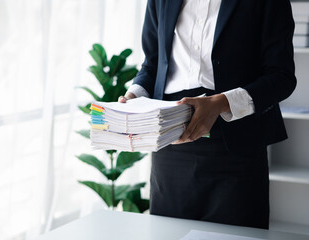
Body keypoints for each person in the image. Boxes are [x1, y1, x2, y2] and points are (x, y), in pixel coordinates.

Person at [118, 0, 296, 229]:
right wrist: (134, 95)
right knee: (169, 233)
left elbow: (281, 77)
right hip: (171, 144)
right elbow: (151, 66)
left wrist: (219, 103)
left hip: (237, 147)